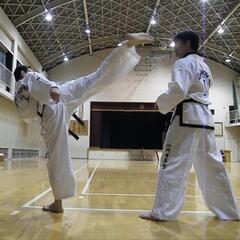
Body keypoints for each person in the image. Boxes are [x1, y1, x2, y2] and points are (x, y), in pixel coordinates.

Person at [14, 33, 154, 213]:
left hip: (51, 107)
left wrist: (51, 90)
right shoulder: (27, 78)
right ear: (23, 72)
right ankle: (126, 47)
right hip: (61, 93)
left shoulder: (20, 92)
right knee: (95, 78)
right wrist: (54, 88)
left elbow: (28, 110)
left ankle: (58, 203)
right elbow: (35, 79)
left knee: (57, 156)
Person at [140, 31, 240, 221]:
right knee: (213, 167)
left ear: (187, 43)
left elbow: (178, 90)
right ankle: (230, 211)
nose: (175, 48)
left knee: (172, 164)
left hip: (186, 118)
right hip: (204, 119)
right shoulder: (205, 67)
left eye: (176, 43)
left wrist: (160, 103)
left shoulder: (183, 63)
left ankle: (162, 212)